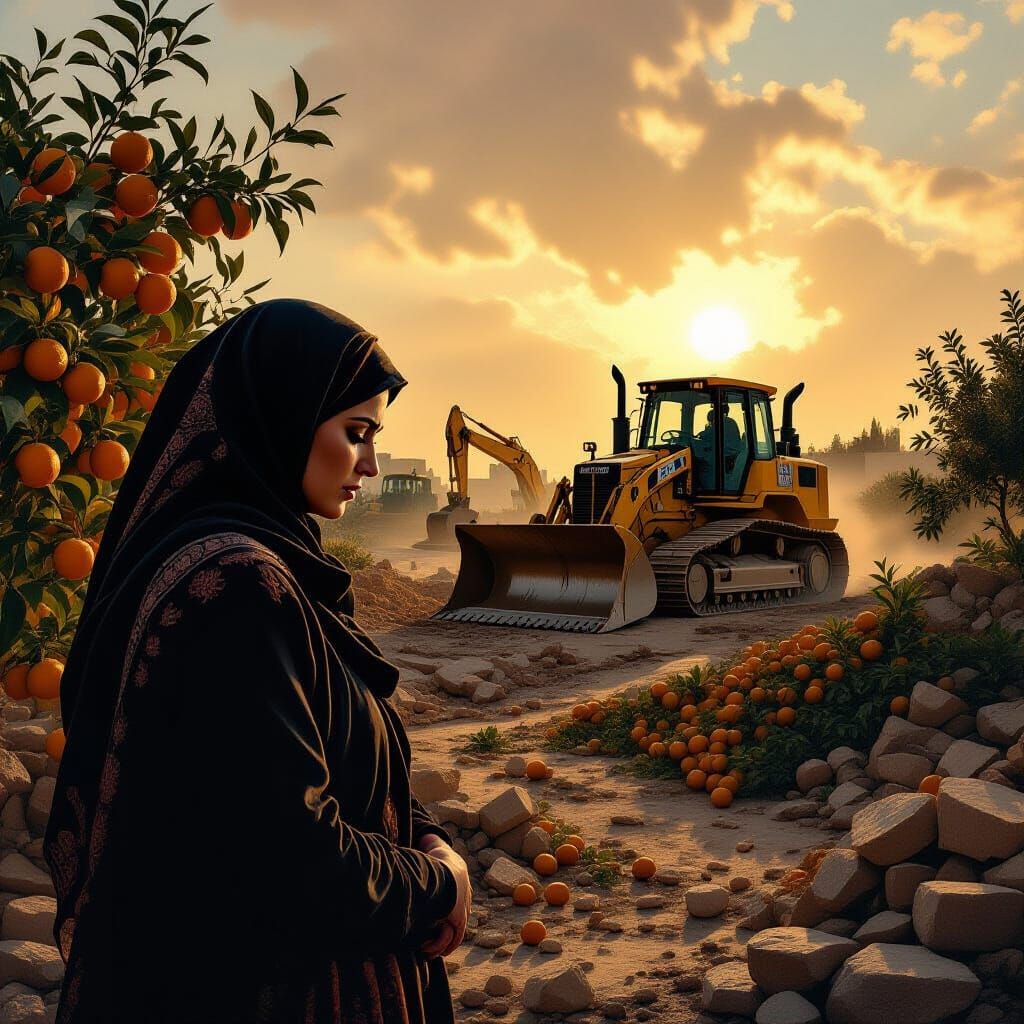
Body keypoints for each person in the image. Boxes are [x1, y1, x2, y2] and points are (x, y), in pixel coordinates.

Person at [41, 299, 471, 1024]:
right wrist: (438, 886)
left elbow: (318, 751)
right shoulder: (240, 589)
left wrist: (422, 829)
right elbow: (292, 854)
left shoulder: (266, 563)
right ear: (281, 417)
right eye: (356, 433)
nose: (368, 464)